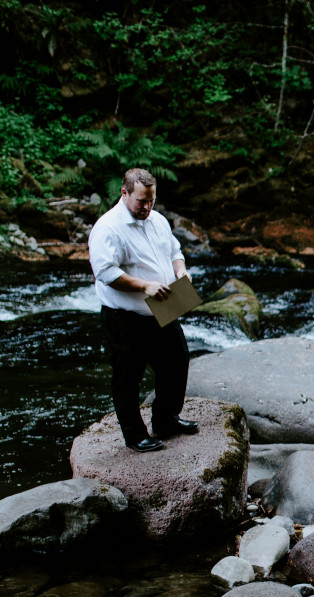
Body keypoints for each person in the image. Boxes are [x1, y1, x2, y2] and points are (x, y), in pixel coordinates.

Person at [88, 167, 196, 452]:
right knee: (128, 376)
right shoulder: (108, 228)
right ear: (124, 194)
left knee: (177, 361)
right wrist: (143, 286)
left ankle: (165, 419)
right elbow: (105, 272)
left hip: (163, 306)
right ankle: (135, 435)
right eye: (141, 201)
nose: (147, 207)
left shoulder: (158, 220)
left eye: (151, 200)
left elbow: (175, 252)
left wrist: (181, 272)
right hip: (125, 316)